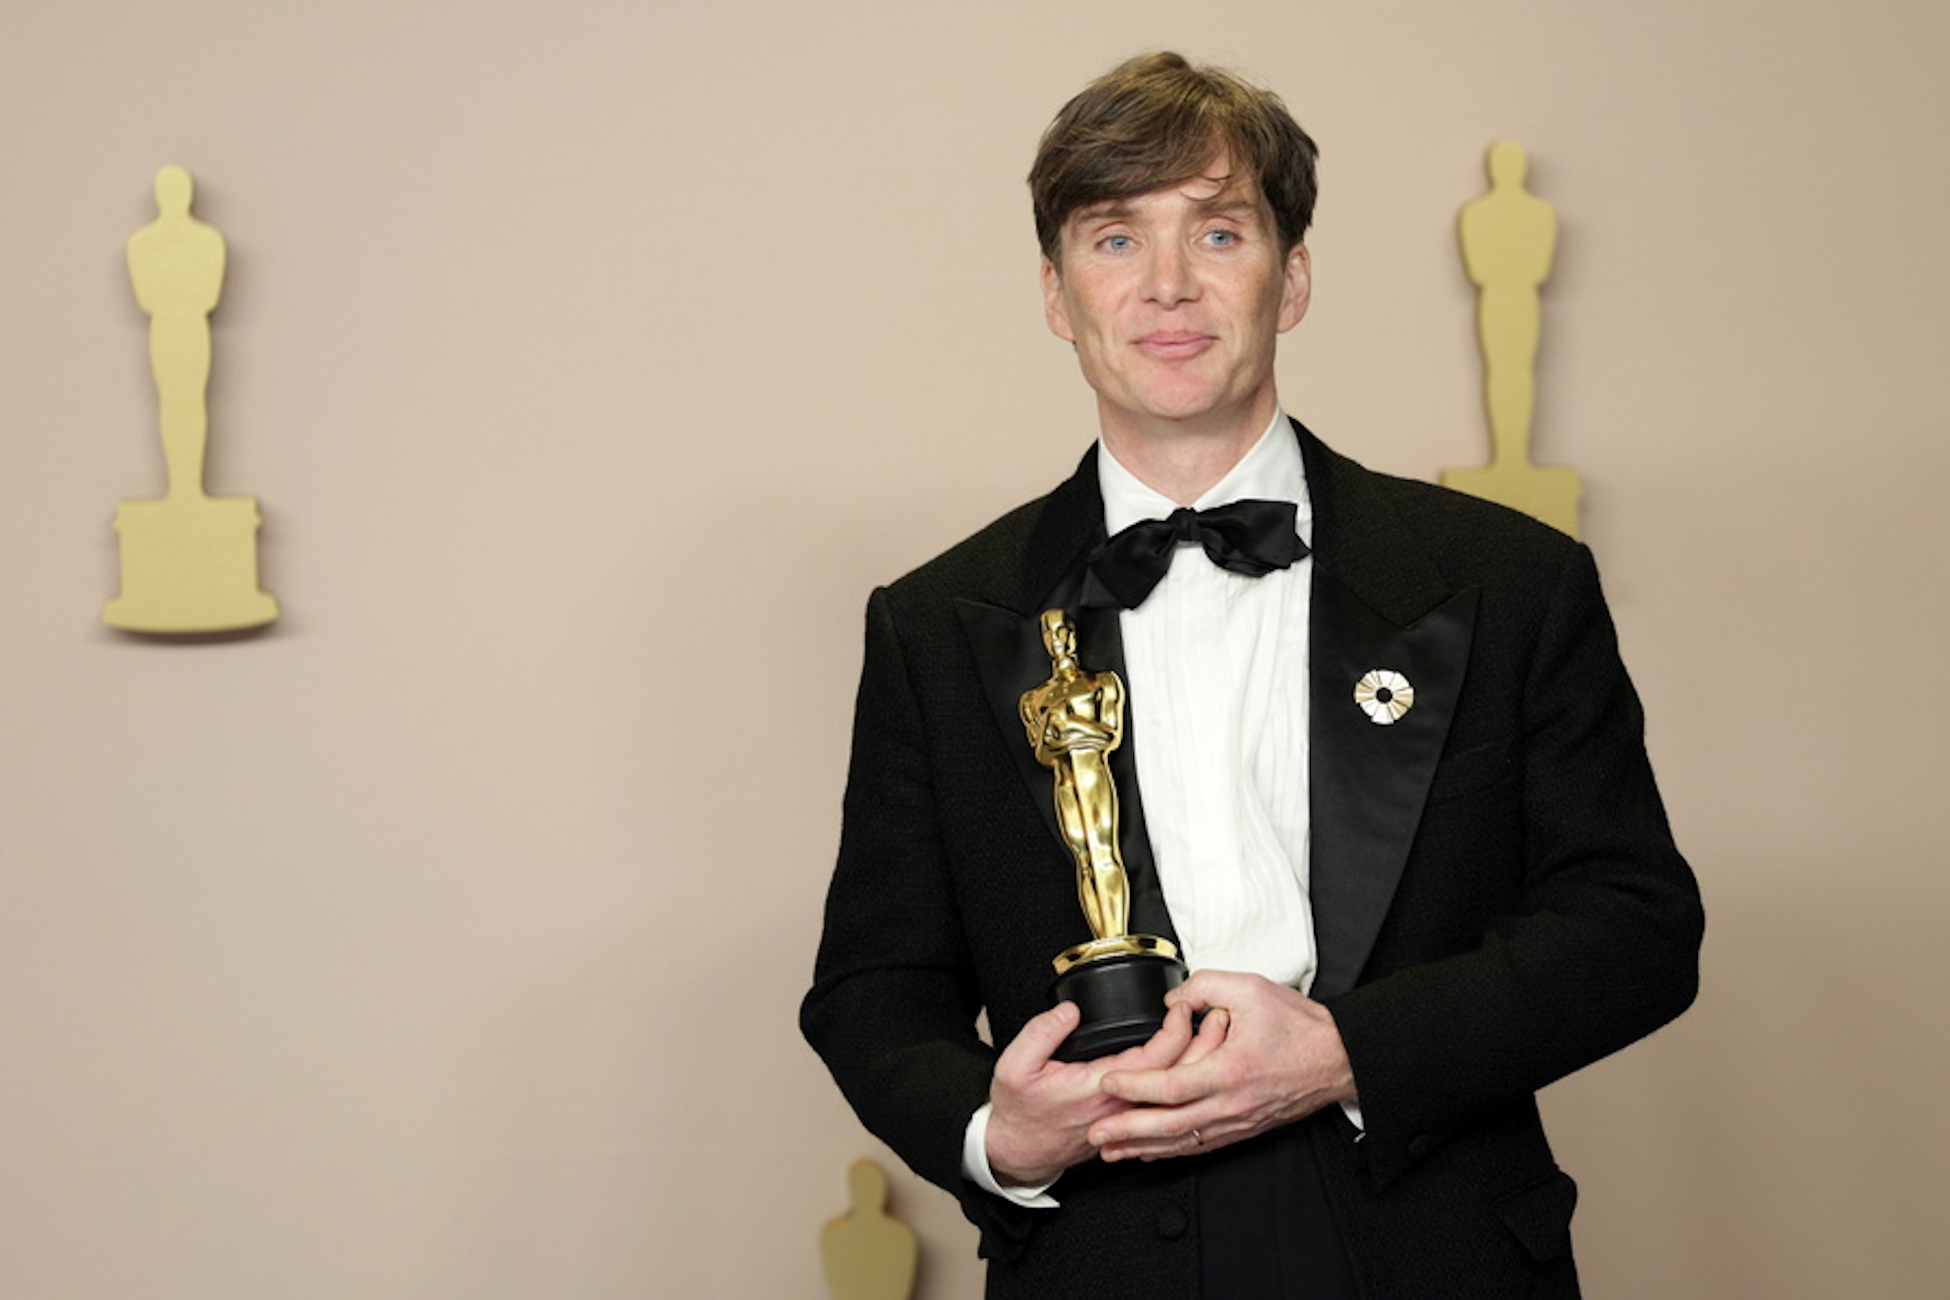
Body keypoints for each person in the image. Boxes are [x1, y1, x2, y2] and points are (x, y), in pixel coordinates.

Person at [802, 51, 1702, 1300]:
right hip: (1097, 1246)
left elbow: (1636, 927)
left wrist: (1348, 1052)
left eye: (1218, 231)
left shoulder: (1509, 580)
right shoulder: (934, 624)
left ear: (1292, 279)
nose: (1168, 285)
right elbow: (873, 986)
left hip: (1430, 1244)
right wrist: (994, 1138)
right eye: (1114, 241)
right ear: (1058, 295)